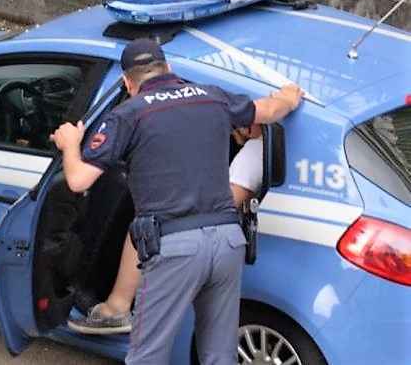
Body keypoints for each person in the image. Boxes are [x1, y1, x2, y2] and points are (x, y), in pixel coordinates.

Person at [50, 38, 303, 364]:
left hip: (174, 249)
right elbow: (269, 111)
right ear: (169, 68)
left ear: (128, 83)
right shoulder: (212, 96)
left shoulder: (128, 114)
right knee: (219, 356)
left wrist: (70, 143)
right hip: (228, 242)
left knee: (147, 355)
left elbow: (78, 180)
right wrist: (288, 95)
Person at [67, 123, 265, 335]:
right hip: (216, 237)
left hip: (205, 237)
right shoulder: (262, 146)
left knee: (144, 224)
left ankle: (117, 308)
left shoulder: (253, 153)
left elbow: (220, 204)